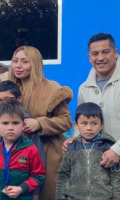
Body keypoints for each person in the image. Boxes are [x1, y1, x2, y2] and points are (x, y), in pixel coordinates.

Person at [70, 33, 120, 199]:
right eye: (95, 54)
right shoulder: (84, 88)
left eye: (105, 52)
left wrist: (117, 150)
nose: (100, 58)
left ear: (116, 53)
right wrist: (75, 139)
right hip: (99, 166)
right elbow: (82, 123)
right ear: (89, 57)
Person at [9, 46, 73, 200]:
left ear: (35, 64)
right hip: (15, 151)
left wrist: (40, 123)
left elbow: (66, 121)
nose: (18, 65)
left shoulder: (52, 89)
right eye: (15, 61)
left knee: (48, 194)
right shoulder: (8, 88)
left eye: (24, 62)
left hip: (47, 151)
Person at [56, 102, 120, 200]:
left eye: (94, 123)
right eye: (84, 123)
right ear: (76, 125)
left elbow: (117, 179)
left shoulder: (109, 148)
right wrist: (61, 198)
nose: (89, 128)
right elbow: (63, 175)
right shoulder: (71, 148)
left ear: (102, 125)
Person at [0, 99, 45, 200]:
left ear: (23, 125)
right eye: (5, 123)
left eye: (15, 123)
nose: (10, 127)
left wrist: (21, 188)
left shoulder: (30, 149)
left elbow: (39, 176)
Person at [0, 81, 45, 167]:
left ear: (19, 100)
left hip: (24, 178)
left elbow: (38, 162)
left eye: (8, 99)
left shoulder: (28, 124)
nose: (4, 103)